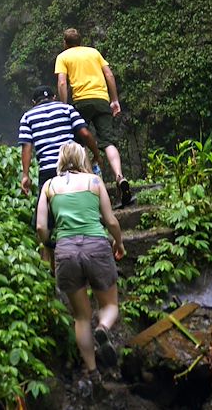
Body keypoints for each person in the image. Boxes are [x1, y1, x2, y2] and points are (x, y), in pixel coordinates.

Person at [36, 141, 125, 394]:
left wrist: (50, 247)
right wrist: (119, 243)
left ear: (61, 160)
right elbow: (110, 220)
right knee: (109, 306)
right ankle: (103, 329)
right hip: (96, 246)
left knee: (80, 317)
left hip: (66, 251)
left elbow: (41, 228)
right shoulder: (94, 182)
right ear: (82, 157)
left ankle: (94, 373)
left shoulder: (49, 186)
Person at [19, 85, 102, 262]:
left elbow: (26, 147)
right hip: (72, 164)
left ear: (34, 102)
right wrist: (96, 154)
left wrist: (25, 175)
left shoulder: (28, 116)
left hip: (48, 170)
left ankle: (50, 259)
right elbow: (85, 133)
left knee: (45, 220)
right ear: (54, 97)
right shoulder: (67, 108)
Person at [55, 28, 133, 207]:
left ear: (65, 43)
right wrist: (114, 100)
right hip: (101, 99)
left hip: (81, 102)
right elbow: (109, 75)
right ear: (80, 40)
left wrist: (64, 106)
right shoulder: (94, 52)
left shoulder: (63, 56)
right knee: (109, 142)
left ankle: (91, 185)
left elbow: (61, 82)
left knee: (79, 144)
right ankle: (120, 177)